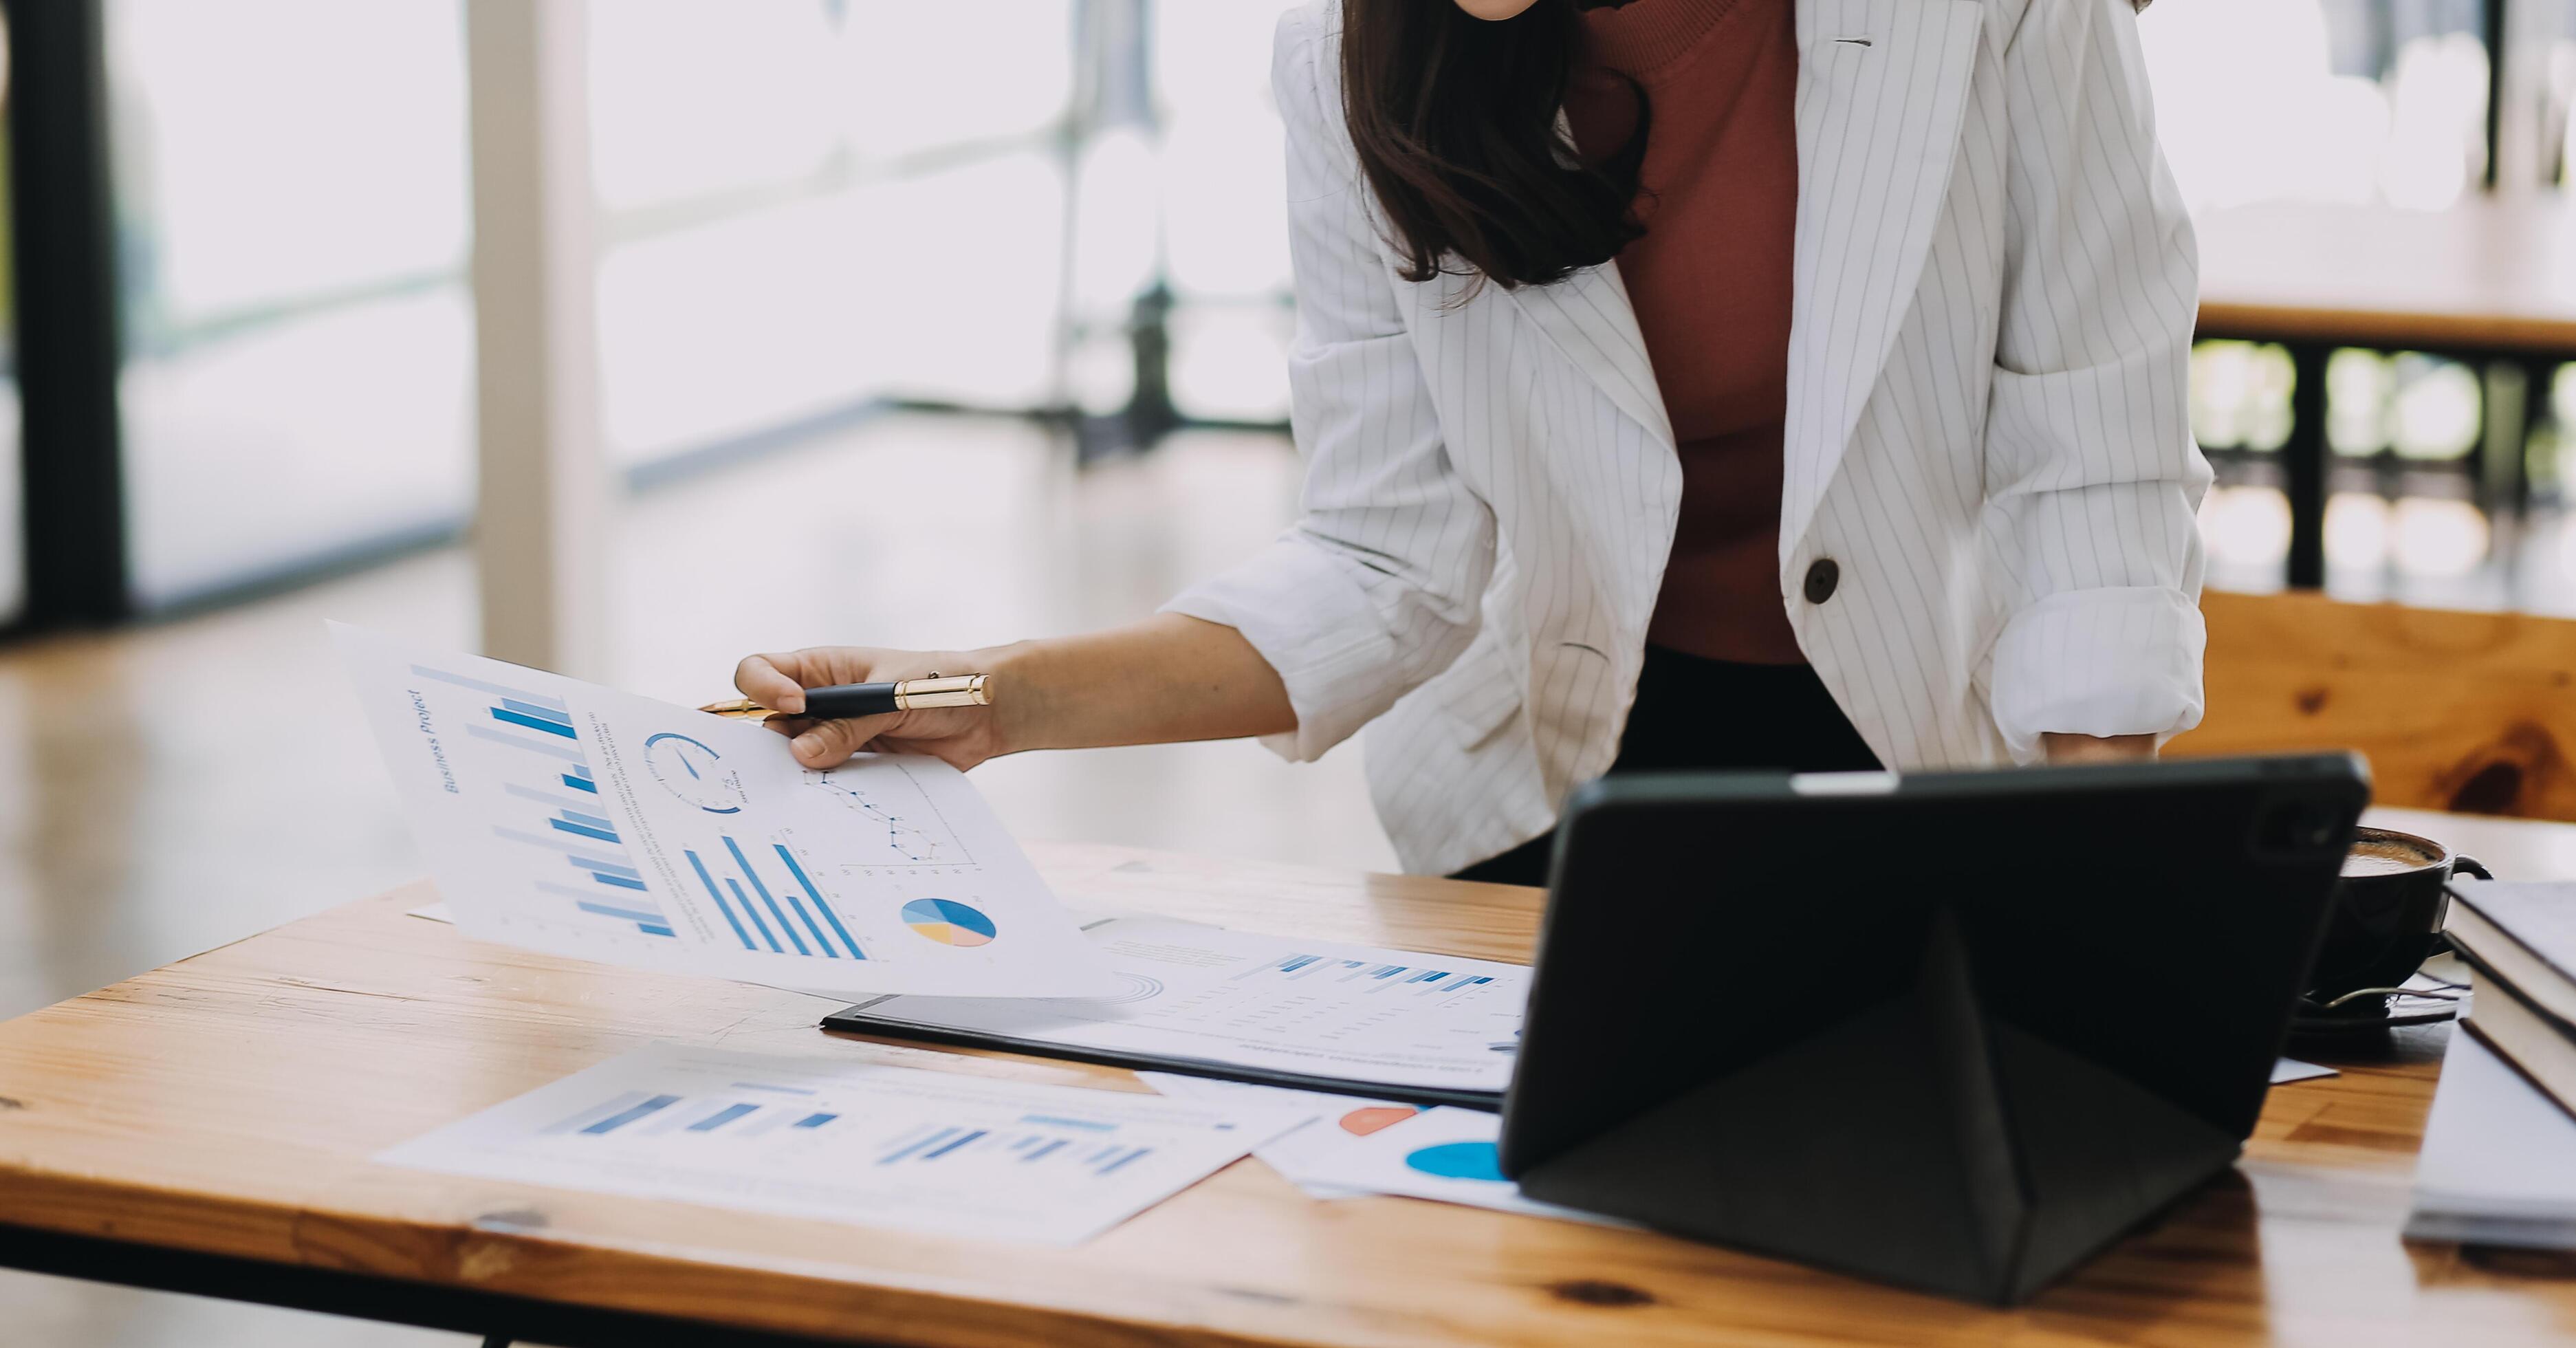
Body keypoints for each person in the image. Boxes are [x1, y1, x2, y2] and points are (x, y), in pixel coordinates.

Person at [735, 0, 2208, 884]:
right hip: (1540, 806)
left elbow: (2092, 471)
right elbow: (1385, 560)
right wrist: (978, 694)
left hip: (1924, 779)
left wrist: (2079, 889)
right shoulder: (1352, 56)